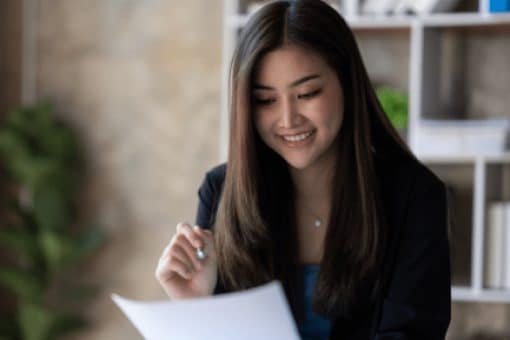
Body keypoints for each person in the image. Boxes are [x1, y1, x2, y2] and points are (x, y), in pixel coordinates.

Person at [155, 0, 451, 339]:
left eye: (307, 93)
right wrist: (194, 305)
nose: (288, 120)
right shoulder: (221, 191)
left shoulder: (414, 195)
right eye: (266, 100)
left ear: (347, 83)